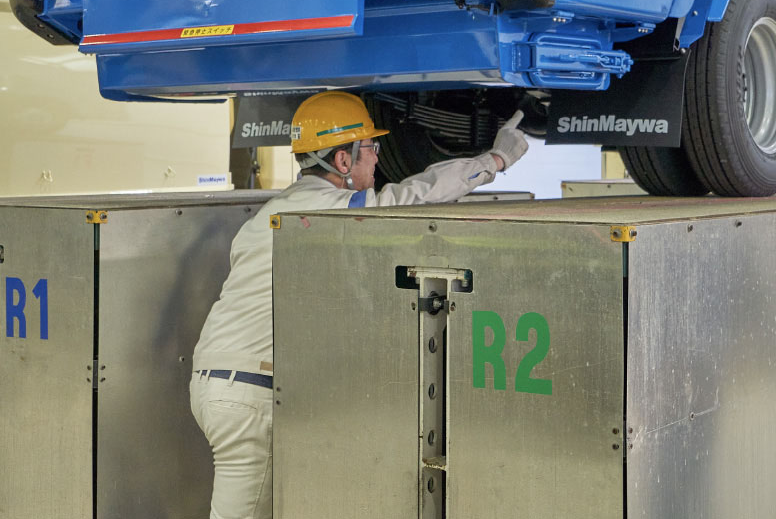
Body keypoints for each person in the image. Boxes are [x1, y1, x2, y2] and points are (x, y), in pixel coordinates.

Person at [189, 90, 528, 519]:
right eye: (370, 148)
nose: (377, 158)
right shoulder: (334, 207)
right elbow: (417, 196)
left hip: (220, 383)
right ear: (343, 162)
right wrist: (495, 161)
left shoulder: (272, 214)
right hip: (249, 398)